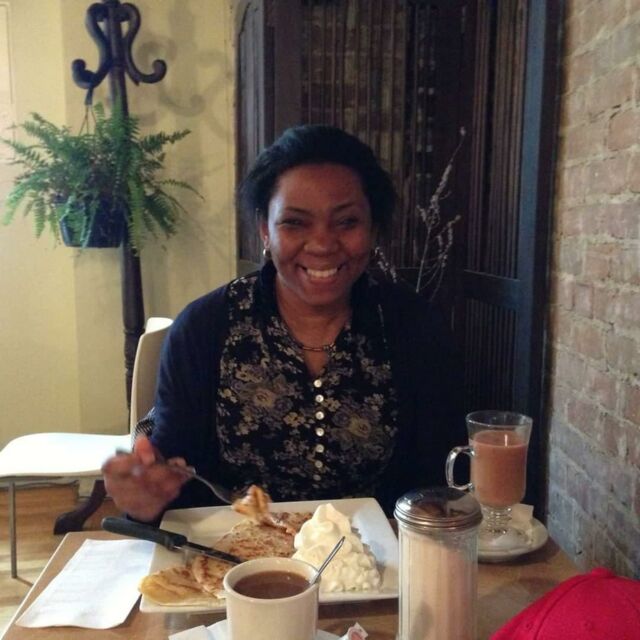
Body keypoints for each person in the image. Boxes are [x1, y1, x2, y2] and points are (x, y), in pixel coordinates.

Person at [102, 124, 465, 523]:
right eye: (295, 222)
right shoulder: (204, 329)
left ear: (373, 228)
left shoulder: (417, 329)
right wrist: (146, 496)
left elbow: (438, 479)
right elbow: (173, 478)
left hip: (376, 556)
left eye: (347, 222)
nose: (322, 244)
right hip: (231, 555)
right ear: (265, 230)